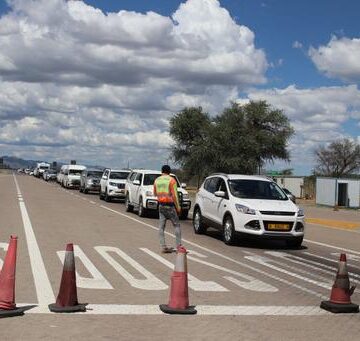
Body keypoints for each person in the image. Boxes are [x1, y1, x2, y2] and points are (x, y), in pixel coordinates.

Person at [153, 165, 182, 253]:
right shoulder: (172, 180)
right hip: (170, 205)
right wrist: (178, 207)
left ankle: (163, 247)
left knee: (161, 227)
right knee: (176, 225)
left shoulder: (157, 180)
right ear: (169, 171)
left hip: (161, 205)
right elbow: (175, 196)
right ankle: (178, 247)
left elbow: (155, 193)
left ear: (162, 171)